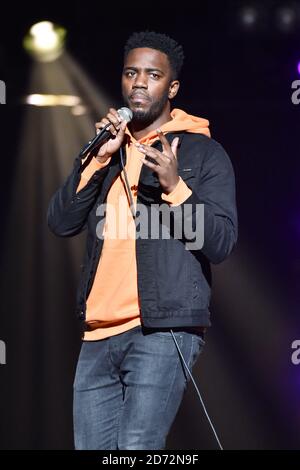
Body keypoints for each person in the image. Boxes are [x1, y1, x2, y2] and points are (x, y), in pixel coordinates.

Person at [47, 31, 238, 450]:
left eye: (152, 75)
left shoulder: (203, 154)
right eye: (131, 72)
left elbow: (221, 242)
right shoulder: (109, 151)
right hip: (97, 335)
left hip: (160, 330)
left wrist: (176, 188)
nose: (139, 83)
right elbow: (61, 221)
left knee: (138, 448)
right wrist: (97, 158)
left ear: (171, 88)